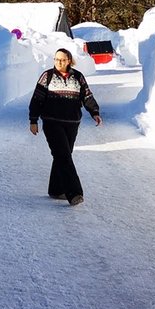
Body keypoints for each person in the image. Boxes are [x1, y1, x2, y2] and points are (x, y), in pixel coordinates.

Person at [28, 48, 101, 204]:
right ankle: (74, 193)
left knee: (62, 155)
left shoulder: (78, 77)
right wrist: (33, 120)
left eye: (62, 60)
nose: (59, 62)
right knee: (63, 156)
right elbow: (37, 99)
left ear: (69, 61)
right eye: (56, 59)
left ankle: (55, 189)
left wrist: (94, 112)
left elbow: (86, 95)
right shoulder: (46, 76)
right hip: (51, 122)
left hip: (72, 123)